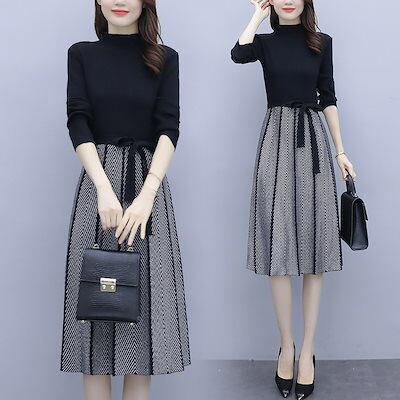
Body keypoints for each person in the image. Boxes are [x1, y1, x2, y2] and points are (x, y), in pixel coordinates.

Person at [60, 1, 191, 399]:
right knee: (94, 323)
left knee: (142, 331)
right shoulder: (81, 54)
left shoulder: (165, 58)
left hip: (147, 193)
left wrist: (148, 195)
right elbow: (77, 120)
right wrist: (102, 187)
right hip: (97, 193)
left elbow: (169, 127)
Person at [231, 1, 356, 398]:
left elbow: (329, 97)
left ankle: (308, 351)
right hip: (276, 143)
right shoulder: (266, 43)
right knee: (279, 249)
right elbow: (238, 53)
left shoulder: (321, 42)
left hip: (314, 144)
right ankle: (286, 346)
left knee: (315, 251)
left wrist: (340, 151)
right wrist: (257, 13)